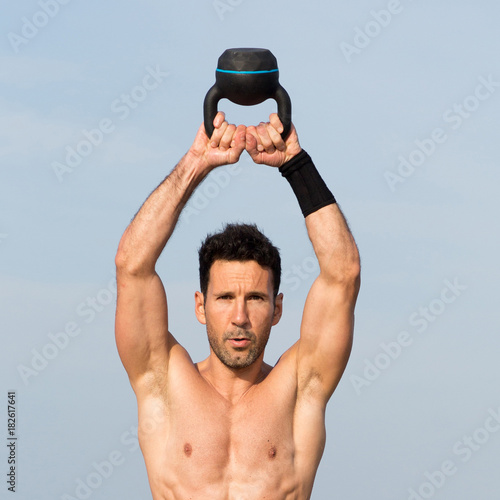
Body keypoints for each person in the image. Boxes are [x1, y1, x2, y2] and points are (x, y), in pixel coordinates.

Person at [114, 111, 361, 499]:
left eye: (256, 298)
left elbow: (343, 273)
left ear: (277, 309)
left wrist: (295, 163)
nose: (240, 317)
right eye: (225, 298)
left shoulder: (299, 387)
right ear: (201, 306)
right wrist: (197, 161)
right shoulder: (164, 380)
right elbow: (132, 265)